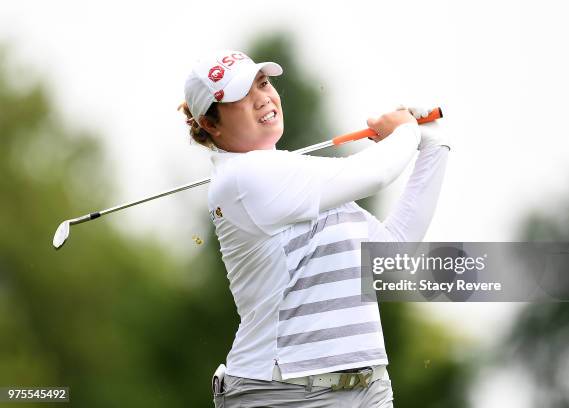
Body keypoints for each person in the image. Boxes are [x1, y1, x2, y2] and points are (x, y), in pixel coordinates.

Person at [178, 49, 450, 408]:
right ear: (211, 124)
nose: (262, 98)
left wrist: (434, 145)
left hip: (368, 390)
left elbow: (393, 250)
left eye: (263, 83)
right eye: (242, 95)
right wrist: (405, 131)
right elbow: (377, 173)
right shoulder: (242, 180)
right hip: (282, 393)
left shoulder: (300, 181)